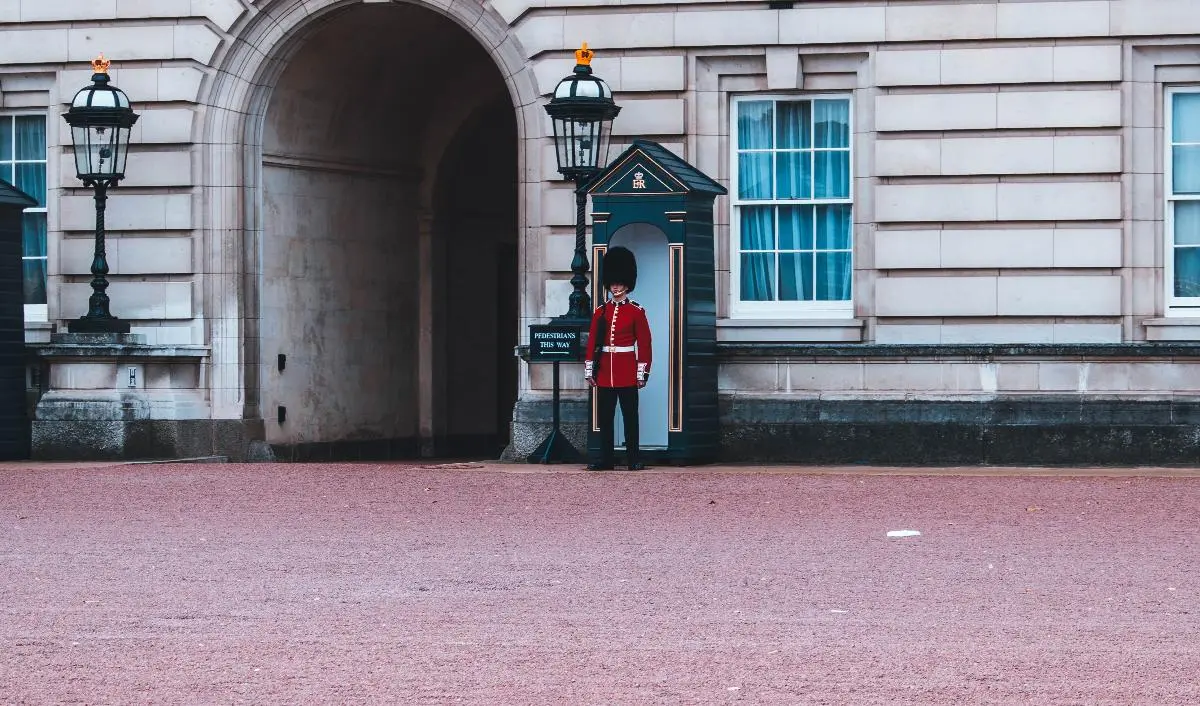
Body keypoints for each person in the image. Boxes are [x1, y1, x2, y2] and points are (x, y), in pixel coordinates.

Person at [584, 246, 652, 471]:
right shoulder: (601, 311)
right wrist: (590, 370)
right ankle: (607, 459)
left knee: (630, 417)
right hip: (605, 371)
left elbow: (644, 344)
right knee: (605, 418)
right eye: (613, 282)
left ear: (627, 283)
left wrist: (642, 373)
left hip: (626, 370)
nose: (615, 286)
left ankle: (634, 458)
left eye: (619, 282)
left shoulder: (636, 311)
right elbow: (593, 341)